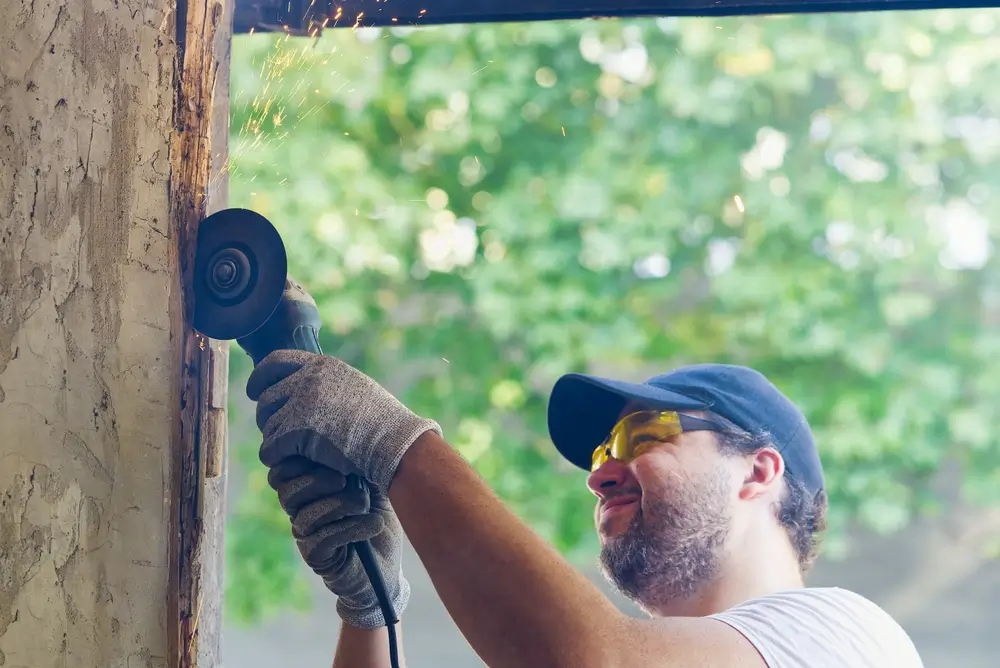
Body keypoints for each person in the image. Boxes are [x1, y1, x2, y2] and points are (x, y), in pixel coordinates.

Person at [248, 353, 924, 668]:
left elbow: (594, 664)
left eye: (640, 436)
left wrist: (388, 441)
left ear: (758, 470)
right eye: (601, 449)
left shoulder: (850, 639)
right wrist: (371, 612)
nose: (600, 472)